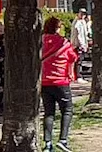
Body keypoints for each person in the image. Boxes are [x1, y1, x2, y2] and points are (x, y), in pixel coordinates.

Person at [40, 16, 77, 152]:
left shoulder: (41, 41)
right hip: (61, 81)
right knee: (67, 110)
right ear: (57, 28)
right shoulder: (63, 43)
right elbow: (73, 57)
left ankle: (47, 143)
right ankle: (63, 140)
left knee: (49, 113)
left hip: (44, 81)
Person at [69, 9, 91, 82]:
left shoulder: (83, 22)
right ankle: (78, 76)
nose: (83, 15)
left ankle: (76, 76)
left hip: (81, 44)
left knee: (79, 60)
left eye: (84, 14)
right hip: (78, 44)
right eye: (81, 13)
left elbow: (84, 34)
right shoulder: (77, 22)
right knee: (78, 61)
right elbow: (79, 35)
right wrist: (82, 45)